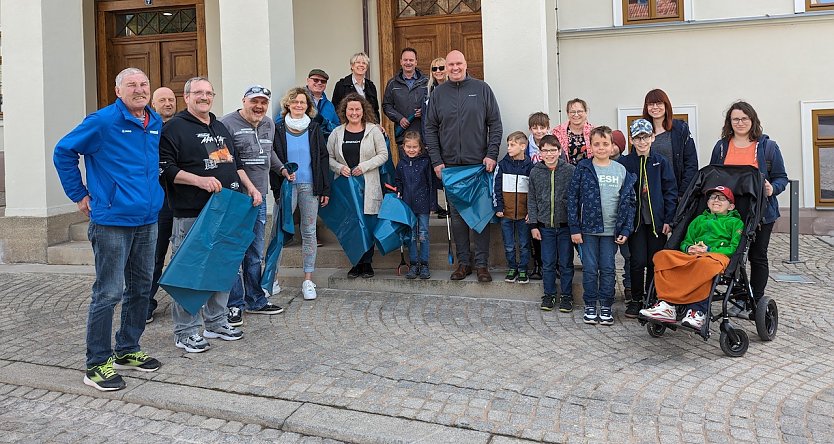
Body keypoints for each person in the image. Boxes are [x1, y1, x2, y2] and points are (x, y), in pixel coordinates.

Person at [54, 67, 164, 391]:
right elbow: (63, 151)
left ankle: (127, 350)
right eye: (131, 84)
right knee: (109, 292)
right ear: (118, 91)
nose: (139, 89)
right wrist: (80, 195)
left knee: (142, 288)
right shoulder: (102, 122)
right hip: (111, 221)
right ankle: (96, 363)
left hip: (147, 219)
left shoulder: (154, 121)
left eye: (144, 83)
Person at [159, 76, 262, 353]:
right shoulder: (173, 128)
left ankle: (215, 322)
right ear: (187, 96)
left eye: (209, 93)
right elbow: (165, 169)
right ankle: (185, 331)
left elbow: (234, 164)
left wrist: (251, 189)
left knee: (223, 268)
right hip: (193, 212)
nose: (204, 97)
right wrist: (199, 181)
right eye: (199, 93)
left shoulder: (219, 126)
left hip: (226, 208)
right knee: (190, 272)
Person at [424, 50, 503, 283]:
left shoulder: (482, 89)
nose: (455, 68)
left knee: (480, 217)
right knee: (457, 219)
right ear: (445, 67)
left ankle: (481, 265)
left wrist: (491, 154)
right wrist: (437, 161)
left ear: (466, 64)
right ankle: (463, 263)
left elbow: (495, 124)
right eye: (450, 64)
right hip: (450, 167)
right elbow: (429, 129)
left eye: (458, 63)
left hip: (478, 165)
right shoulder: (438, 94)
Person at [220, 85, 290, 327]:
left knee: (254, 253)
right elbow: (223, 161)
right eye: (254, 102)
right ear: (244, 101)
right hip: (235, 199)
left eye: (263, 102)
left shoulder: (269, 124)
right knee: (233, 252)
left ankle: (255, 300)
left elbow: (268, 154)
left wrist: (281, 169)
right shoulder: (226, 124)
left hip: (259, 198)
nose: (259, 106)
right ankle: (233, 305)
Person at [709, 101, 788, 306]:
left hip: (761, 212)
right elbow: (713, 176)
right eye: (736, 119)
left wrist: (773, 188)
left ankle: (756, 300)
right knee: (733, 252)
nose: (740, 122)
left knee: (757, 255)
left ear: (752, 120)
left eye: (745, 118)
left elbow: (781, 177)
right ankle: (738, 295)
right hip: (731, 212)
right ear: (730, 122)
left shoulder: (768, 147)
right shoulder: (721, 147)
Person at [640, 186, 744, 329]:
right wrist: (690, 248)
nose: (716, 200)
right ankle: (667, 305)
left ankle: (697, 311)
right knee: (662, 256)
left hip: (717, 257)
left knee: (705, 265)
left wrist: (709, 249)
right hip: (693, 256)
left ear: (731, 206)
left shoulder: (735, 223)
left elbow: (734, 248)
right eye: (713, 197)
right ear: (707, 203)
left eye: (722, 198)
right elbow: (686, 241)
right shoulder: (698, 220)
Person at [567, 126, 636, 326]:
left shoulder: (620, 170)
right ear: (591, 146)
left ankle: (606, 305)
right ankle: (590, 305)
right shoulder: (583, 167)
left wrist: (625, 229)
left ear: (612, 146)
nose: (601, 148)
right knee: (590, 268)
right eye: (597, 144)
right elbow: (572, 198)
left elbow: (630, 201)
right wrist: (574, 228)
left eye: (605, 144)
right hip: (587, 230)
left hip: (611, 231)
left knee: (607, 268)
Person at [271, 87, 331, 300]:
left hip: (310, 186)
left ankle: (308, 280)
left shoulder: (314, 129)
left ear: (308, 106)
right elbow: (272, 159)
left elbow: (323, 158)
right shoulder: (277, 129)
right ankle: (272, 279)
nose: (298, 105)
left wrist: (324, 188)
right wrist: (276, 188)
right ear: (287, 104)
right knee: (279, 232)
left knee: (308, 232)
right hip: (287, 187)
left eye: (303, 103)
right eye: (295, 102)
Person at [617, 119, 677, 318]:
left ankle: (653, 297)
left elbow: (670, 191)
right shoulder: (625, 163)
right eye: (637, 138)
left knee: (655, 261)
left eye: (645, 137)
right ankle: (636, 298)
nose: (642, 142)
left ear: (652, 138)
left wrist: (669, 219)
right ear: (632, 140)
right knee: (637, 260)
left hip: (657, 222)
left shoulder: (661, 162)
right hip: (635, 223)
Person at [327, 93, 388, 278]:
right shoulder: (337, 133)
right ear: (345, 111)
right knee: (352, 223)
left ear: (363, 111)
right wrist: (339, 167)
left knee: (368, 223)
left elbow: (383, 154)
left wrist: (363, 166)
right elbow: (328, 157)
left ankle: (367, 263)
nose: (354, 112)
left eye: (357, 109)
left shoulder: (373, 131)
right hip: (346, 186)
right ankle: (355, 262)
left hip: (368, 183)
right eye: (350, 109)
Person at [528, 135, 576, 312]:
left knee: (565, 263)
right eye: (545, 150)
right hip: (544, 227)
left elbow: (575, 199)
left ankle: (566, 296)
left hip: (565, 227)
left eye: (553, 150)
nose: (549, 154)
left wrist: (575, 225)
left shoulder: (570, 170)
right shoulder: (535, 172)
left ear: (560, 151)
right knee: (547, 262)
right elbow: (531, 199)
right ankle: (548, 294)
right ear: (540, 152)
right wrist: (533, 225)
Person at [147, 86, 177, 324]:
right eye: (162, 100)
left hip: (183, 199)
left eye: (171, 99)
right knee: (154, 256)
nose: (168, 103)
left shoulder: (182, 126)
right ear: (153, 103)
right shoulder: (145, 127)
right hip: (158, 202)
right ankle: (145, 303)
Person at [642, 89, 698, 198]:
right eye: (651, 104)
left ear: (666, 105)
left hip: (676, 192)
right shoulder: (642, 132)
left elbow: (691, 163)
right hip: (651, 195)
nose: (655, 107)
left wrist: (683, 193)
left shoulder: (680, 129)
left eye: (659, 103)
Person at [494, 131, 534, 284]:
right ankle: (512, 267)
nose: (509, 148)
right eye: (508, 145)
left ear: (523, 146)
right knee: (509, 244)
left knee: (524, 244)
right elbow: (496, 187)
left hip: (524, 215)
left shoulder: (530, 166)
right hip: (506, 213)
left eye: (512, 145)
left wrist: (531, 212)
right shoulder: (503, 165)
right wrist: (498, 206)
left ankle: (523, 269)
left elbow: (533, 192)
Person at [395, 130, 434, 279]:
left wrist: (432, 204)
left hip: (423, 204)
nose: (411, 150)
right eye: (408, 147)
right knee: (410, 235)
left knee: (423, 234)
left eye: (414, 147)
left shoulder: (425, 162)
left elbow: (430, 183)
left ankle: (424, 264)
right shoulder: (401, 164)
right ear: (404, 147)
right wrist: (398, 191)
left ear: (420, 148)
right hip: (407, 205)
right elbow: (398, 181)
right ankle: (413, 264)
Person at [383, 47, 429, 146]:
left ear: (416, 62)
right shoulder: (392, 83)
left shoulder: (427, 82)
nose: (408, 63)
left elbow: (434, 104)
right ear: (401, 62)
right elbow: (386, 106)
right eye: (405, 60)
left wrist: (424, 111)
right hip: (403, 136)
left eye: (411, 60)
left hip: (423, 134)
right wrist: (400, 118)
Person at [276, 69, 339, 140]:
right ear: (308, 80)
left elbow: (337, 129)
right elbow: (279, 122)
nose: (319, 83)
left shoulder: (329, 105)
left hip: (322, 146)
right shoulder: (295, 99)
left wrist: (323, 122)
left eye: (323, 81)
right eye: (315, 80)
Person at [526, 112, 551, 279]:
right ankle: (537, 264)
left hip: (549, 192)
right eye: (535, 128)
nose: (539, 131)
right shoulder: (525, 146)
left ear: (548, 128)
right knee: (533, 229)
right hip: (531, 191)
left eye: (542, 127)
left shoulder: (553, 145)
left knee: (549, 230)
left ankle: (552, 264)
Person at [424, 57, 448, 219]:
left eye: (441, 68)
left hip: (447, 138)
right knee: (433, 173)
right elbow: (426, 118)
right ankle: (435, 206)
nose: (438, 71)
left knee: (448, 174)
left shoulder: (451, 88)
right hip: (432, 139)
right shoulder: (427, 90)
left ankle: (451, 207)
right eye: (434, 69)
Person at [609, 129, 632, 303]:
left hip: (624, 218)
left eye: (614, 143)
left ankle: (629, 287)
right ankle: (608, 288)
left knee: (628, 256)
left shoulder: (626, 164)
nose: (610, 147)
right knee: (607, 258)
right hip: (607, 219)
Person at [331, 52, 381, 123]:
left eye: (364, 63)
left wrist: (377, 125)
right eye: (358, 62)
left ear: (366, 67)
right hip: (348, 125)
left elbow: (375, 110)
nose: (361, 65)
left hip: (368, 126)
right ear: (352, 66)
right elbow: (336, 108)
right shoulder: (341, 85)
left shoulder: (371, 86)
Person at [552, 98, 594, 166]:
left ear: (586, 113)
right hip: (566, 172)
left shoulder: (594, 132)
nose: (576, 115)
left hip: (589, 172)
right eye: (572, 112)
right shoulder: (557, 132)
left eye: (579, 111)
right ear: (568, 114)